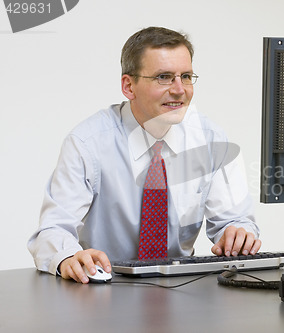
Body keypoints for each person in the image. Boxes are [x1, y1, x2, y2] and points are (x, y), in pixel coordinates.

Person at [27, 27, 260, 284]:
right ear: (129, 86)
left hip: (180, 289)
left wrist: (238, 234)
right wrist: (69, 257)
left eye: (186, 76)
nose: (180, 89)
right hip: (105, 290)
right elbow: (54, 228)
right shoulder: (87, 143)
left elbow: (235, 221)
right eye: (164, 77)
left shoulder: (211, 140)